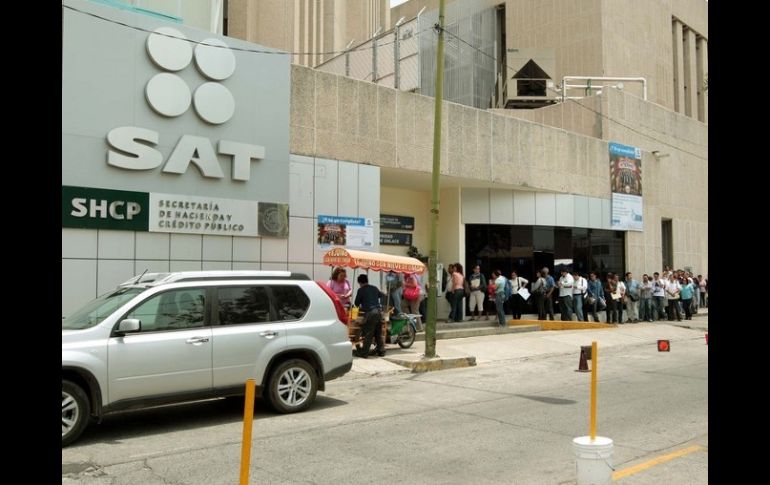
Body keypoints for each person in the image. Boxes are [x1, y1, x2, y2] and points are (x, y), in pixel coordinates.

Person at [353, 274, 387, 358]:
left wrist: (363, 303)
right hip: (379, 312)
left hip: (370, 313)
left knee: (368, 334)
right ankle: (381, 351)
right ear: (367, 280)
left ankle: (364, 353)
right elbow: (382, 295)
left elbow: (356, 303)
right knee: (378, 333)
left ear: (360, 282)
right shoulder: (374, 288)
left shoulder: (361, 290)